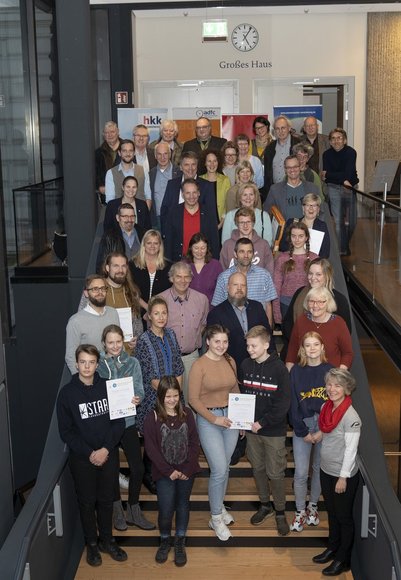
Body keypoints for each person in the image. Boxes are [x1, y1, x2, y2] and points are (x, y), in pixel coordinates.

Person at [57, 345, 127, 567]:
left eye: (91, 362)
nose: (87, 367)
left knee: (107, 500)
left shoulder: (109, 387)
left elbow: (119, 422)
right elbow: (66, 432)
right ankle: (92, 545)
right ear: (76, 364)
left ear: (97, 364)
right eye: (83, 362)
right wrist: (90, 453)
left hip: (108, 454)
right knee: (87, 502)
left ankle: (107, 540)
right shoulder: (67, 395)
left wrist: (106, 449)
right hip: (82, 459)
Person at [98, 325, 155, 531]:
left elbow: (139, 388)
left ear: (124, 342)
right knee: (111, 469)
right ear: (104, 343)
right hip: (107, 425)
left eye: (118, 342)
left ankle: (133, 508)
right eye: (111, 342)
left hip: (128, 421)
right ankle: (117, 511)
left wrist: (137, 397)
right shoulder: (99, 366)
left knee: (138, 468)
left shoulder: (133, 363)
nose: (115, 346)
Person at [188, 324, 239, 541]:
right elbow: (193, 399)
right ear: (207, 341)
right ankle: (215, 517)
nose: (221, 345)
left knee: (224, 467)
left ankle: (218, 507)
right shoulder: (199, 365)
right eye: (217, 341)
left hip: (230, 419)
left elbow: (235, 390)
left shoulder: (230, 361)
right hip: (209, 419)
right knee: (218, 468)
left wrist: (240, 420)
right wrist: (214, 418)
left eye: (224, 341)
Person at [144, 376, 200, 567]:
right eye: (168, 396)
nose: (172, 400)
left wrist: (186, 468)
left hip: (186, 471)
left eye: (175, 395)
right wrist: (169, 471)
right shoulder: (151, 418)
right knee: (166, 508)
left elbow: (194, 443)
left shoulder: (187, 414)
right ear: (160, 396)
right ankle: (165, 539)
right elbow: (151, 449)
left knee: (183, 505)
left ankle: (180, 541)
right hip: (164, 473)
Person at [240, 325, 291, 535]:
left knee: (275, 473)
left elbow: (283, 404)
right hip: (251, 431)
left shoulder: (279, 369)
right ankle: (265, 505)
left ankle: (280, 511)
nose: (249, 349)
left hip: (273, 432)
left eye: (253, 346)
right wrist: (242, 423)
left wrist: (262, 423)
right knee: (258, 469)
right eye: (248, 345)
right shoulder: (244, 365)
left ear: (266, 345)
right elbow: (242, 397)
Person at [312, 368, 361, 576]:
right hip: (326, 469)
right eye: (330, 384)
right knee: (331, 512)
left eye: (337, 385)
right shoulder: (326, 406)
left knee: (344, 517)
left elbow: (351, 450)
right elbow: (327, 428)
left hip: (344, 475)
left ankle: (343, 559)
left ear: (347, 389)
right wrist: (317, 435)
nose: (332, 389)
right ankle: (332, 548)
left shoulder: (351, 417)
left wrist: (343, 477)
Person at [289, 332, 333, 533]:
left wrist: (324, 429)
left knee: (318, 468)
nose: (312, 348)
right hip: (303, 425)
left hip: (325, 425)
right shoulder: (296, 372)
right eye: (308, 345)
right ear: (303, 349)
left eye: (316, 344)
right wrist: (302, 431)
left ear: (323, 347)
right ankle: (300, 511)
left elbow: (335, 404)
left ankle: (313, 506)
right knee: (300, 471)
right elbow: (292, 403)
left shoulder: (330, 371)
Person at [281, 258, 351, 361]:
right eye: (310, 273)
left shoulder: (339, 300)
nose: (313, 278)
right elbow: (287, 323)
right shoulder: (299, 293)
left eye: (318, 274)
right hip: (297, 354)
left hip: (327, 358)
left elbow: (346, 333)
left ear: (327, 276)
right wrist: (303, 344)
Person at [158, 261, 209, 403]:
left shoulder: (201, 300)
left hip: (191, 359)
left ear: (191, 278)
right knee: (166, 399)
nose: (183, 280)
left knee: (191, 399)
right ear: (171, 278)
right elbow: (153, 328)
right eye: (178, 276)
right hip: (166, 358)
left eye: (186, 277)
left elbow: (203, 325)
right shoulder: (159, 299)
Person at [135, 296, 184, 435]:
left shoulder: (171, 334)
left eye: (164, 313)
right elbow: (149, 376)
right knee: (156, 440)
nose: (161, 317)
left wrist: (176, 395)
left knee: (175, 438)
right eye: (156, 313)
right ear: (149, 315)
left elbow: (178, 367)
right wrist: (168, 397)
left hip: (175, 396)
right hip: (154, 398)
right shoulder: (143, 341)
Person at [207, 272, 275, 369]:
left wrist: (272, 361)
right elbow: (213, 347)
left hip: (259, 367)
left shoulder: (257, 307)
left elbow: (267, 336)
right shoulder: (216, 313)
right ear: (227, 287)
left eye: (243, 285)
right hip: (229, 368)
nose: (239, 288)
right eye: (235, 285)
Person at [212, 238, 277, 328]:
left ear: (253, 254)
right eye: (242, 251)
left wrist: (269, 331)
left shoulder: (264, 275)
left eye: (249, 252)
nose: (246, 255)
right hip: (231, 327)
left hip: (258, 328)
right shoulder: (224, 277)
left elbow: (268, 306)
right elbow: (217, 306)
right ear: (235, 254)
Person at [286, 287, 354, 371]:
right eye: (311, 301)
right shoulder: (301, 321)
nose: (315, 306)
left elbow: (347, 353)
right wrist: (289, 375)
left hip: (331, 377)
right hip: (305, 375)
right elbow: (292, 351)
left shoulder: (339, 323)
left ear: (328, 303)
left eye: (320, 302)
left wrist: (338, 376)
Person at [65, 274, 119, 374]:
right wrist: (82, 382)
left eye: (103, 288)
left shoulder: (113, 313)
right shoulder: (75, 321)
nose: (100, 292)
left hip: (114, 377)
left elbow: (119, 346)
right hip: (90, 380)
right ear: (86, 293)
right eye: (95, 289)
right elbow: (71, 357)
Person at [160, 151, 218, 237]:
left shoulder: (207, 186)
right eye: (186, 164)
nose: (190, 168)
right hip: (174, 235)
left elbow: (212, 215)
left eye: (193, 164)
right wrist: (165, 233)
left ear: (197, 166)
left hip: (200, 237)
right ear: (181, 167)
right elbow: (165, 210)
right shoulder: (172, 184)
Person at [163, 178, 220, 262]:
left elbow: (215, 240)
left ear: (199, 193)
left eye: (194, 193)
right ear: (182, 195)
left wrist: (214, 263)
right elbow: (168, 241)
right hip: (180, 262)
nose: (191, 196)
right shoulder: (174, 212)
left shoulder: (208, 212)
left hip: (204, 262)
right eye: (188, 193)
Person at [322, 128, 359, 256]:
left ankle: (344, 243)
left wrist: (331, 175)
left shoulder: (351, 152)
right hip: (333, 188)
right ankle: (341, 250)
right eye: (333, 138)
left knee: (353, 221)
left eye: (339, 138)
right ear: (330, 142)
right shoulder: (326, 155)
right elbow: (325, 177)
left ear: (345, 140)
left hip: (349, 188)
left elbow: (348, 174)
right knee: (338, 221)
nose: (336, 141)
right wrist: (341, 178)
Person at [273, 222, 318, 324]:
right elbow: (276, 287)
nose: (297, 240)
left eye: (300, 236)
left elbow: (320, 285)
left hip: (309, 302)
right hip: (286, 304)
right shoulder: (282, 258)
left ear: (306, 237)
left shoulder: (314, 258)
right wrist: (277, 315)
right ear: (290, 238)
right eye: (294, 236)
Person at [264, 155, 320, 221]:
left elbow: (321, 212)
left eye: (295, 166)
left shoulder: (312, 188)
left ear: (300, 168)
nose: (292, 170)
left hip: (307, 229)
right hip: (285, 230)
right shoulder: (275, 190)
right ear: (285, 169)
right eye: (289, 167)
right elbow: (266, 213)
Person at [220, 207, 274, 275]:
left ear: (253, 223)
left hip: (257, 284)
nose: (245, 226)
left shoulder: (263, 245)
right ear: (237, 224)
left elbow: (269, 272)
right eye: (242, 222)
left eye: (248, 222)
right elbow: (222, 272)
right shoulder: (227, 245)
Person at [129, 229, 172, 313]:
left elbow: (171, 292)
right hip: (137, 312)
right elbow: (130, 290)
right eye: (149, 243)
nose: (152, 246)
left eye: (156, 243)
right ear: (144, 245)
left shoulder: (169, 267)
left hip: (161, 313)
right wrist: (147, 307)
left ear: (160, 245)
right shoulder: (132, 265)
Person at [278, 193, 330, 259]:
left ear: (318, 209)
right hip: (291, 261)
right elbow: (282, 246)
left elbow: (325, 253)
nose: (311, 208)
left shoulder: (322, 226)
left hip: (313, 264)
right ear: (303, 208)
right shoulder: (291, 222)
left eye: (314, 205)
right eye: (308, 205)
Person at [96, 203, 145, 272]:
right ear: (117, 218)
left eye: (132, 216)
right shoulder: (109, 236)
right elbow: (102, 264)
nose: (129, 220)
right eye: (125, 216)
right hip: (118, 279)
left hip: (141, 280)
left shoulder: (144, 234)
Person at [105, 139, 151, 205]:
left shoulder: (143, 170)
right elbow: (110, 200)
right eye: (124, 151)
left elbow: (148, 196)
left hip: (139, 213)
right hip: (119, 213)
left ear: (134, 153)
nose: (128, 154)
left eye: (130, 151)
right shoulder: (110, 173)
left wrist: (145, 213)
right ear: (119, 153)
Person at [263, 115, 300, 194]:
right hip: (275, 190)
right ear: (274, 131)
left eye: (283, 128)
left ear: (289, 128)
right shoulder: (269, 148)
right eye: (277, 129)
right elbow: (267, 174)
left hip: (294, 189)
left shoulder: (299, 145)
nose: (280, 131)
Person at [149, 142, 181, 231]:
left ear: (170, 155)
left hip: (175, 218)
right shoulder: (151, 173)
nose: (162, 157)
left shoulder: (179, 173)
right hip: (157, 220)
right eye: (159, 154)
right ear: (155, 156)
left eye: (165, 154)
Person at [186, 232, 223, 307]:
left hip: (211, 310)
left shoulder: (216, 266)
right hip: (187, 310)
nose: (199, 251)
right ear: (190, 248)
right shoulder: (183, 265)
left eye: (203, 248)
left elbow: (221, 291)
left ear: (207, 249)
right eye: (196, 248)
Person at [200, 149, 231, 228]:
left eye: (215, 161)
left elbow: (228, 204)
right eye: (209, 161)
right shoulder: (199, 180)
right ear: (204, 163)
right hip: (203, 223)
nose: (212, 164)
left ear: (218, 162)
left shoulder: (225, 180)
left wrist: (221, 223)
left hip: (222, 222)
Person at [95, 121, 121, 196]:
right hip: (106, 195)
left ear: (118, 132)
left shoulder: (127, 148)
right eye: (106, 133)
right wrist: (99, 186)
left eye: (112, 132)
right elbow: (95, 174)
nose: (109, 135)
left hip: (126, 194)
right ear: (103, 135)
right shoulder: (98, 153)